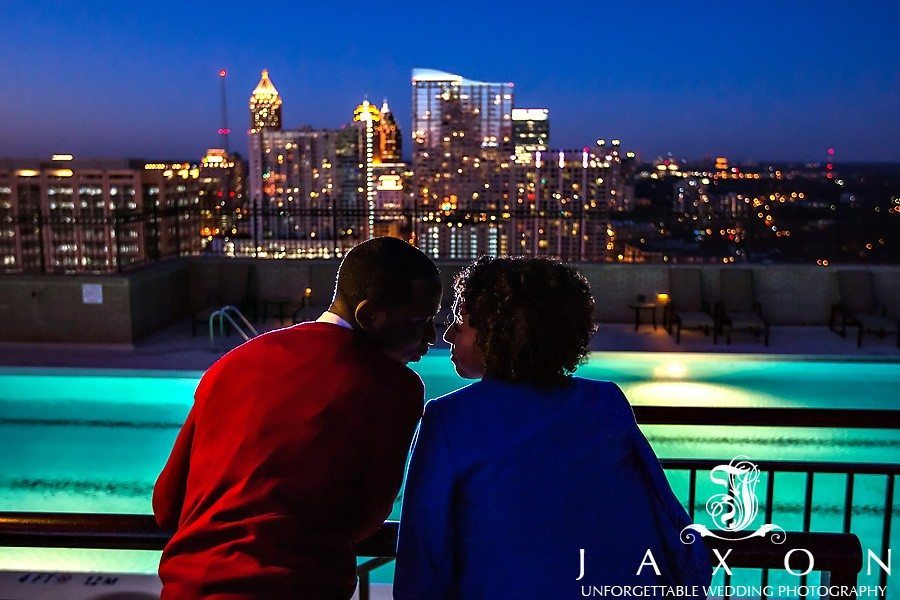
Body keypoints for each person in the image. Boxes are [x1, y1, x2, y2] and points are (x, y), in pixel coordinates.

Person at [394, 256, 711, 599]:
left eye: (461, 321)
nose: (449, 333)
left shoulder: (448, 419)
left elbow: (421, 558)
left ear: (500, 333)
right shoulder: (605, 402)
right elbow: (669, 518)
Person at [152, 237, 441, 599]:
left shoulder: (232, 365)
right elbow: (367, 518)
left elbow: (166, 505)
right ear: (369, 316)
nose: (432, 337)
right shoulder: (393, 387)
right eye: (421, 321)